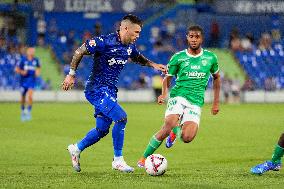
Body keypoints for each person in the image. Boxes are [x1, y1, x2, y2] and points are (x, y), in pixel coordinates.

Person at [62, 14, 166, 173]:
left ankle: (76, 148)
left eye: (139, 33)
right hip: (96, 90)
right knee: (121, 117)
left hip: (110, 91)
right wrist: (71, 74)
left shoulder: (129, 46)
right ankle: (118, 160)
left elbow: (137, 58)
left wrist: (153, 65)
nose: (138, 36)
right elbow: (79, 51)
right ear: (125, 28)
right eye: (136, 32)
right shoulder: (104, 42)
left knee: (102, 129)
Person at [137, 25, 221, 167]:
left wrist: (216, 103)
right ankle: (144, 158)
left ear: (202, 38)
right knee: (168, 125)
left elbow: (217, 78)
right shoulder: (178, 57)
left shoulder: (210, 58)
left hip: (196, 101)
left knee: (187, 137)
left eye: (197, 36)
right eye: (191, 36)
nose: (194, 39)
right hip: (178, 96)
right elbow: (167, 79)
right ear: (187, 38)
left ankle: (176, 131)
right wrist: (164, 94)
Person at [15, 47, 41, 121]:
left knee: (30, 96)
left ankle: (29, 112)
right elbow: (16, 69)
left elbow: (39, 67)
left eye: (33, 51)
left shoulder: (36, 60)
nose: (32, 52)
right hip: (23, 81)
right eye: (31, 51)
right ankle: (23, 110)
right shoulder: (23, 60)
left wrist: (37, 72)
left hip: (32, 81)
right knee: (23, 97)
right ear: (28, 52)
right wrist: (22, 72)